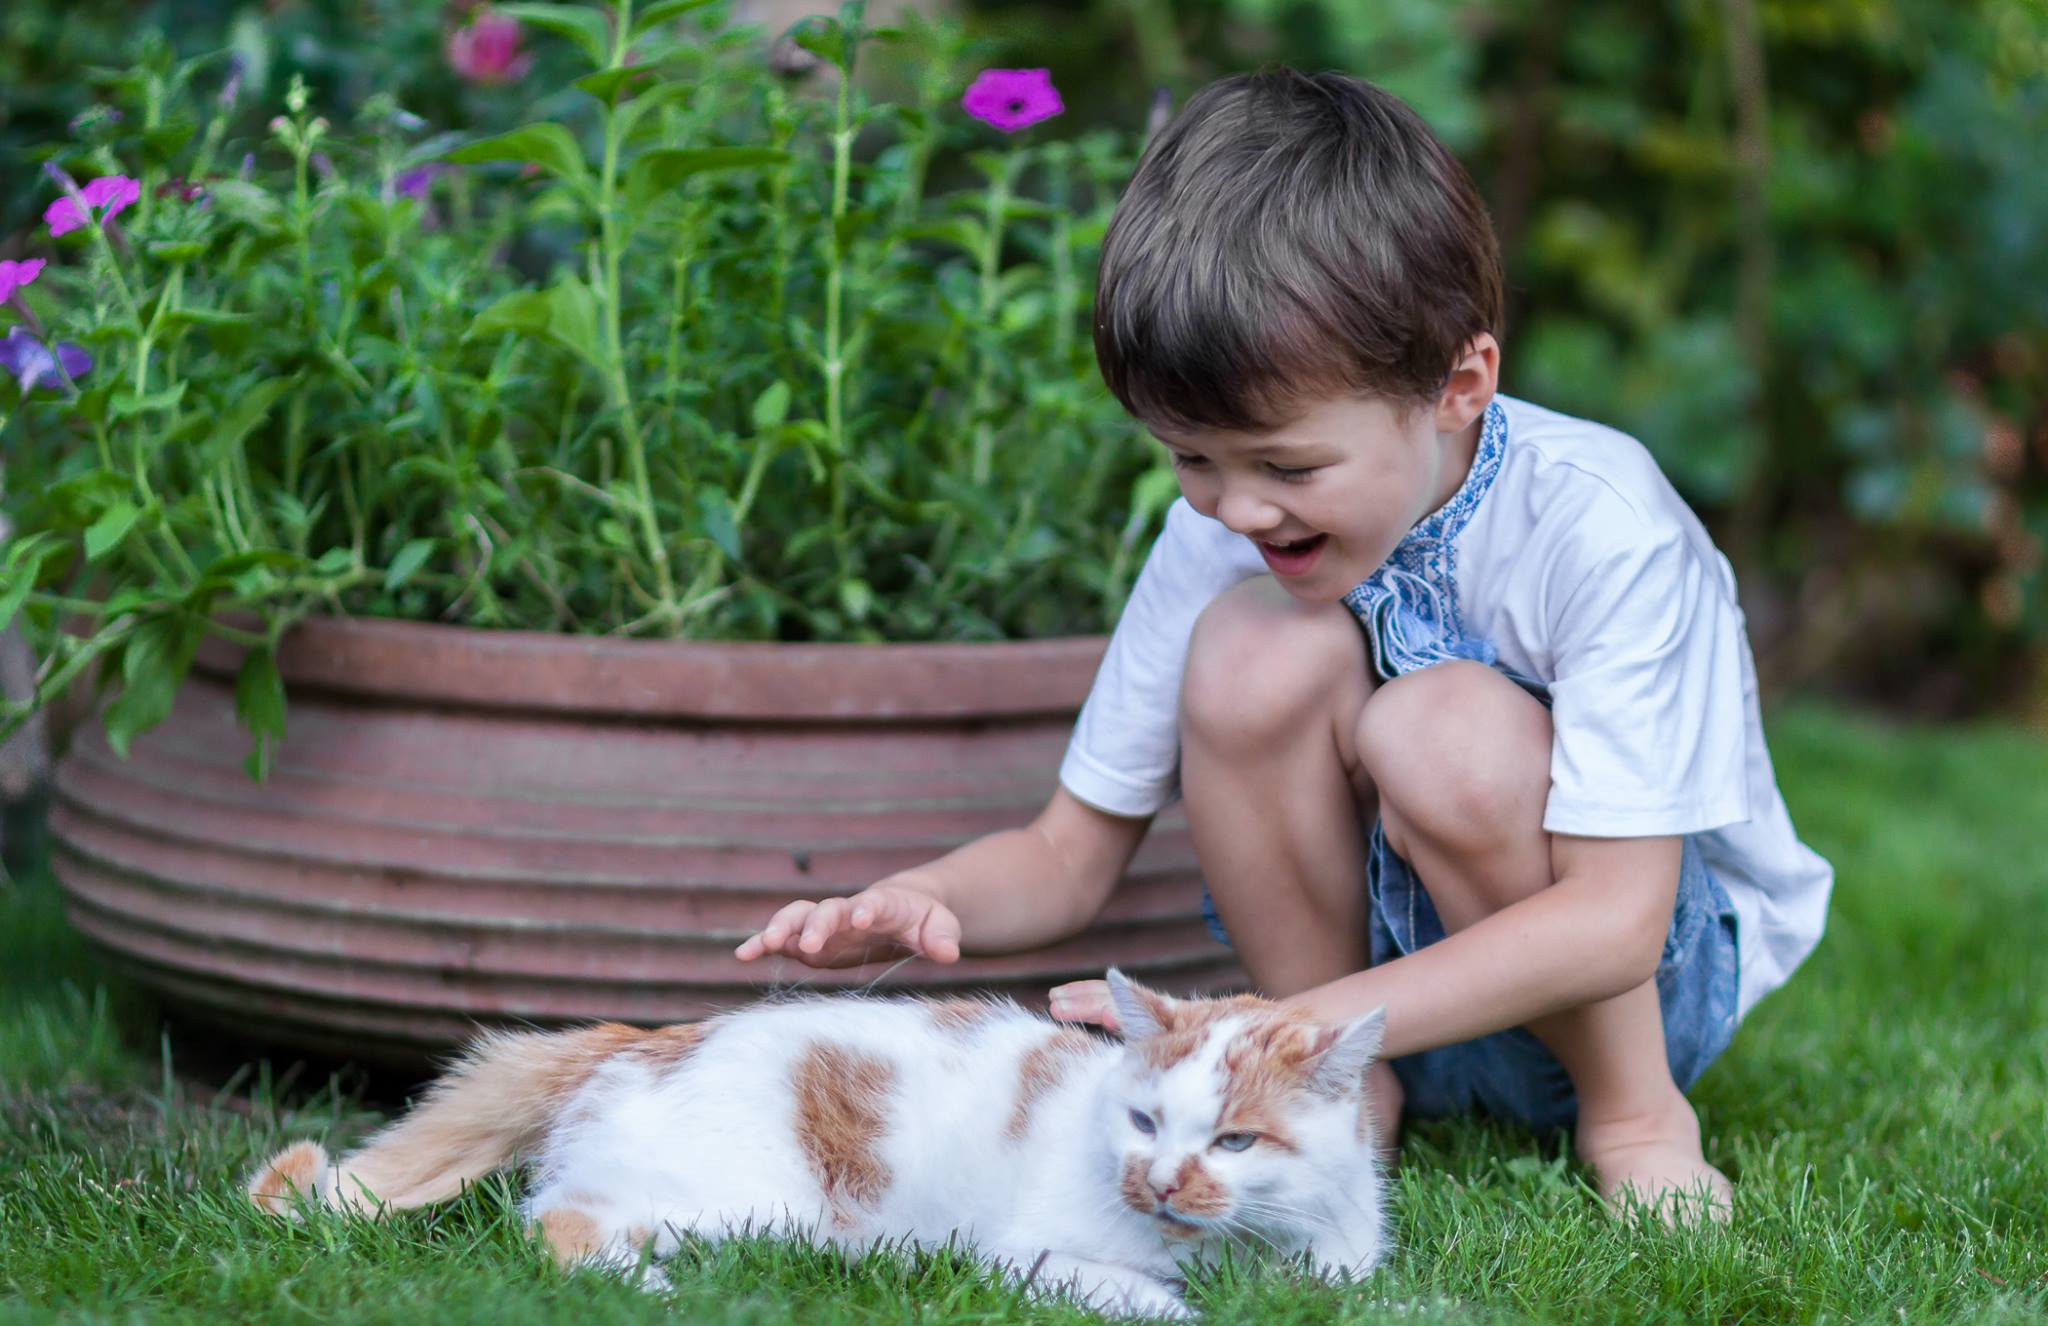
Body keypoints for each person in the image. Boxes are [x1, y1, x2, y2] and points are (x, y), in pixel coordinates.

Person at [736, 68, 1833, 1220]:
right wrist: (917, 900)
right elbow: (1068, 853)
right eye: (1190, 458)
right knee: (1254, 648)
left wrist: (1276, 1025)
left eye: (1285, 467)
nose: (1235, 509)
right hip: (1347, 1013)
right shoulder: (1217, 540)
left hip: (1636, 981)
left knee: (1437, 724)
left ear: (1458, 385)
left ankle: (1635, 1117)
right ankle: (1344, 1103)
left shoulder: (1598, 524)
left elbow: (1616, 919)